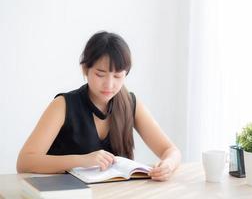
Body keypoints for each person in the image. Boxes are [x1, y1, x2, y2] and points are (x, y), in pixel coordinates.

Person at [17, 31, 181, 181]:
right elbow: (25, 161)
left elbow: (171, 150)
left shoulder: (131, 104)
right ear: (85, 69)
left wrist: (168, 165)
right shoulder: (63, 105)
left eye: (117, 76)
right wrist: (83, 160)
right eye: (100, 74)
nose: (109, 84)